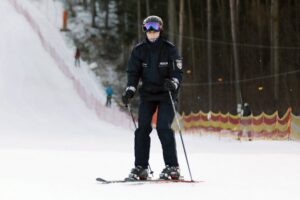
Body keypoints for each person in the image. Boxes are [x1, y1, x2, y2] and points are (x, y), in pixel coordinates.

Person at [121, 15, 183, 180]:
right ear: (144, 29)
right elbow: (133, 74)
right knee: (142, 130)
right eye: (148, 27)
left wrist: (174, 83)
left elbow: (177, 72)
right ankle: (141, 167)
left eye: (155, 26)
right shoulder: (139, 50)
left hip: (166, 94)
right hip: (148, 94)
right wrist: (130, 90)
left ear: (160, 28)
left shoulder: (169, 49)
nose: (152, 30)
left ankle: (172, 167)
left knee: (163, 127)